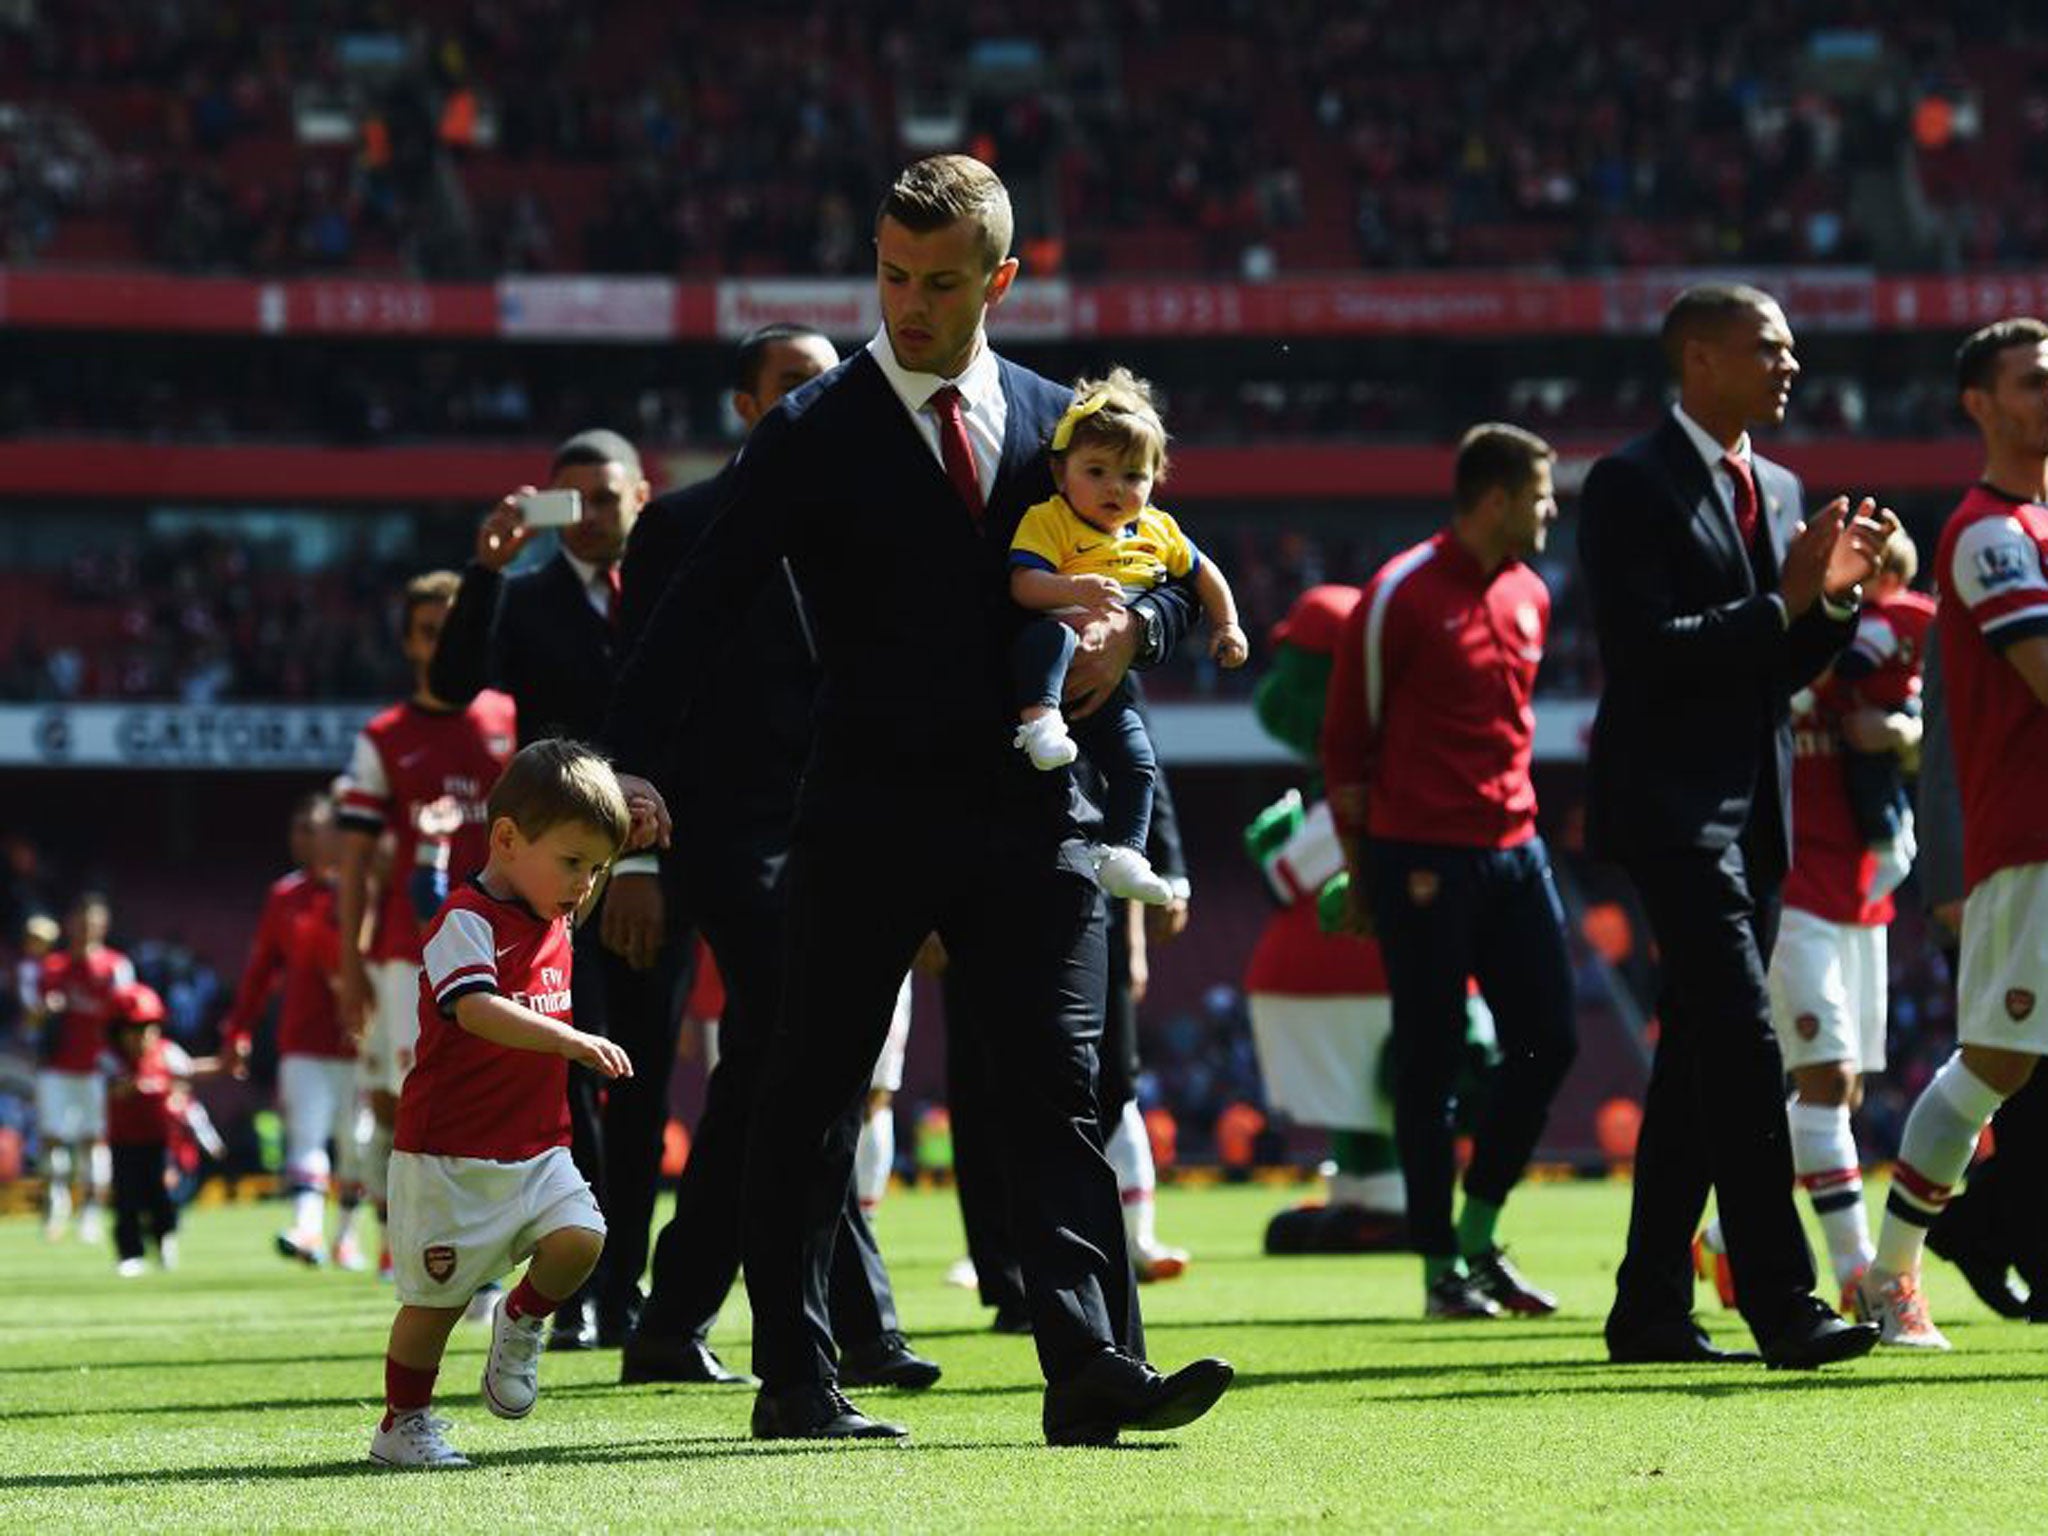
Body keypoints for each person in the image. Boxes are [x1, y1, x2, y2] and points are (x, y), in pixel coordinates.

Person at [605, 154, 1231, 1445]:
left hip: (1035, 809)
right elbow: (702, 603)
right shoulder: (813, 425)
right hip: (864, 814)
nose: (910, 304)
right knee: (813, 1086)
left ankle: (1092, 1367)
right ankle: (797, 1378)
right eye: (891, 277)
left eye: (940, 282)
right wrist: (623, 764)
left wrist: (1143, 641)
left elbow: (1162, 568)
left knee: (1061, 1087)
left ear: (1000, 279)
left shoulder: (1070, 421)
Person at [614, 322, 935, 1393]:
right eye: (793, 382)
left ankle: (672, 1319)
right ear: (745, 408)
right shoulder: (680, 525)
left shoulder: (872, 514)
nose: (820, 395)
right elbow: (647, 685)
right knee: (814, 1056)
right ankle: (862, 1323)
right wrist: (637, 860)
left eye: (830, 378)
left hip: (843, 829)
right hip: (729, 837)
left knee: (763, 1072)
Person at [1580, 282, 1892, 1369]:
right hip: (1667, 806)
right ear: (1699, 359)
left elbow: (1782, 668)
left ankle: (1648, 1308)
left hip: (1755, 809)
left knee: (1696, 1055)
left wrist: (1833, 605)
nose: (1789, 365)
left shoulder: (1782, 483)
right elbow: (1644, 648)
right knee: (1742, 1036)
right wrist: (1785, 599)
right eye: (1769, 347)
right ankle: (1781, 1300)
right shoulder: (1626, 484)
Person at [429, 428, 681, 1351]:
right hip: (553, 891)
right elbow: (455, 684)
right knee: (571, 1083)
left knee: (644, 1083)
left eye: (605, 499)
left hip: (666, 868)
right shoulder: (526, 598)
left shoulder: (675, 592)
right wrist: (486, 570)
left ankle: (625, 1291)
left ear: (643, 496)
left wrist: (647, 864)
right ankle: (574, 1287)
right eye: (566, 502)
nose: (587, 519)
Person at [1322, 423, 1578, 1318]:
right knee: (1428, 1064)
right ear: (1499, 498)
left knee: (1552, 1041)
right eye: (1543, 495)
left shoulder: (1533, 594)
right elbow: (1346, 743)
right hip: (1418, 856)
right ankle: (1440, 1270)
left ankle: (1478, 1235)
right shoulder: (1397, 592)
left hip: (1516, 846)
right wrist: (1361, 872)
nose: (1553, 510)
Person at [1855, 317, 2048, 1348]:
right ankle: (1889, 1279)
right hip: (2030, 844)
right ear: (1979, 403)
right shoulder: (1987, 534)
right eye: (2031, 381)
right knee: (1992, 1066)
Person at [369, 740, 637, 1470]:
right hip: (447, 1155)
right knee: (433, 1309)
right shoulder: (467, 918)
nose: (585, 885)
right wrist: (571, 1040)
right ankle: (403, 1423)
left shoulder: (555, 909)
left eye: (598, 869)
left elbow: (577, 880)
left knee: (583, 1239)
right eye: (574, 863)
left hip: (537, 1146)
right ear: (509, 840)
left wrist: (619, 823)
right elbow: (475, 1009)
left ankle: (520, 1323)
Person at [336, 570, 518, 1280]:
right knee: (400, 1105)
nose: (443, 644)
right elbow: (352, 864)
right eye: (428, 632)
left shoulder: (511, 717)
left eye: (455, 628)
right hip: (405, 954)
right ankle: (404, 1237)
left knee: (482, 1100)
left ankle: (476, 1258)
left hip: (504, 946)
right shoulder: (384, 738)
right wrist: (352, 961)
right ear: (410, 645)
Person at [1008, 367, 1248, 904]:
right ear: (1059, 471)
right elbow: (1023, 585)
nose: (1116, 488)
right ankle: (1039, 719)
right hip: (1055, 644)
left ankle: (1124, 852)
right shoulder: (1050, 520)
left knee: (1138, 759)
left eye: (1134, 476)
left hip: (1108, 682)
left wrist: (1228, 624)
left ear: (1157, 477)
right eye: (1096, 470)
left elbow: (1203, 575)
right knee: (1047, 641)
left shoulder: (1159, 529)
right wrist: (1074, 589)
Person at [1913, 621, 2048, 1317]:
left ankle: (1978, 1229)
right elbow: (1946, 748)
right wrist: (1948, 879)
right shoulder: (1984, 585)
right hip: (1994, 881)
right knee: (2021, 1082)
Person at [219, 793, 370, 1269]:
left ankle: (346, 1237)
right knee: (306, 1136)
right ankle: (307, 1230)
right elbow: (260, 969)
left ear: (336, 833)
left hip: (359, 1043)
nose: (299, 836)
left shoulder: (362, 891)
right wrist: (237, 1030)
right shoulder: (284, 896)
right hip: (301, 1040)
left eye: (311, 826)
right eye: (296, 827)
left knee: (357, 1144)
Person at [32, 891, 134, 1244]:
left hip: (96, 1067)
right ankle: (55, 1206)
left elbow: (129, 1016)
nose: (86, 929)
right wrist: (45, 1011)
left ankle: (90, 1212)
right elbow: (31, 1019)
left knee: (93, 1141)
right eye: (81, 921)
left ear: (103, 925)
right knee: (52, 1140)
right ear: (70, 924)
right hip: (56, 1066)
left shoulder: (116, 967)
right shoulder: (52, 967)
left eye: (93, 922)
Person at [99, 982, 206, 1276]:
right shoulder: (109, 1060)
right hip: (123, 1142)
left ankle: (164, 1240)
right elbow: (112, 1089)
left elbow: (190, 1070)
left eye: (148, 1028)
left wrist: (226, 1064)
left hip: (161, 1142)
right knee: (127, 1198)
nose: (141, 1037)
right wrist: (135, 1085)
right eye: (133, 1029)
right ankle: (130, 1252)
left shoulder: (168, 1053)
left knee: (163, 1195)